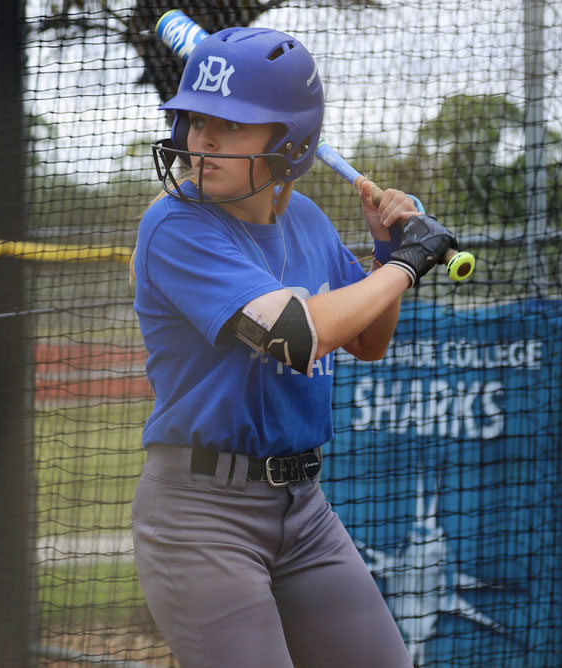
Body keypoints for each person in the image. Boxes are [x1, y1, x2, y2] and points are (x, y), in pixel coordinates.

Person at [131, 25, 458, 668]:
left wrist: (387, 249)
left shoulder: (305, 217)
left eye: (231, 124)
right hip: (202, 517)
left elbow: (367, 340)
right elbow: (293, 334)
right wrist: (407, 267)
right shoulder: (175, 225)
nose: (203, 140)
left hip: (303, 509)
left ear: (291, 142)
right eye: (197, 120)